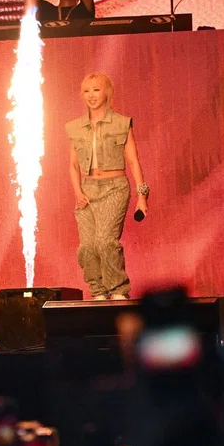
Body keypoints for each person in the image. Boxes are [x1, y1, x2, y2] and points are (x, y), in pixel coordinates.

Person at [65, 72, 148, 300]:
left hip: (114, 188)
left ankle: (118, 290)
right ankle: (98, 291)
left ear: (107, 92)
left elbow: (133, 161)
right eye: (86, 91)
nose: (91, 95)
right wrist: (78, 192)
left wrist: (142, 196)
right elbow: (73, 165)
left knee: (105, 241)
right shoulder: (75, 127)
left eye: (96, 89)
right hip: (87, 189)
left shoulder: (121, 123)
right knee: (87, 246)